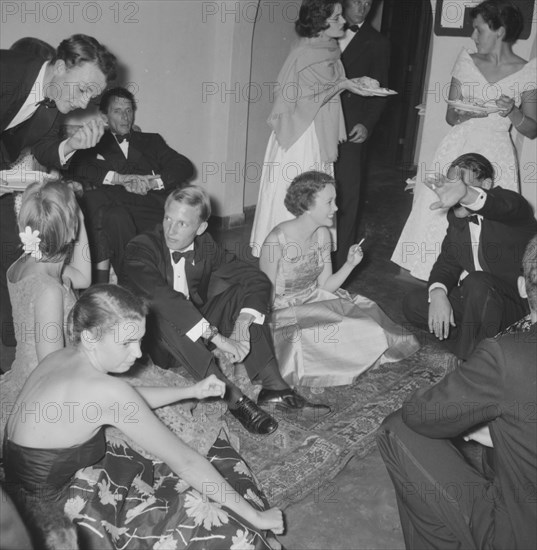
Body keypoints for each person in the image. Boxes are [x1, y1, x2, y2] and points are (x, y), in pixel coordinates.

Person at [3, 284, 284, 549]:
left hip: (20, 493)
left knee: (169, 470)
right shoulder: (105, 392)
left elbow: (125, 401)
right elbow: (185, 461)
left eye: (139, 340)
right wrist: (255, 517)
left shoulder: (61, 357)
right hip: (53, 512)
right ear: (90, 337)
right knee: (219, 518)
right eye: (127, 343)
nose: (137, 353)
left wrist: (192, 390)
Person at [120, 185, 330, 436]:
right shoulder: (141, 247)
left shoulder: (205, 245)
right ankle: (234, 398)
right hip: (157, 343)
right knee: (161, 311)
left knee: (243, 295)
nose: (171, 230)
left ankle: (274, 388)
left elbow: (256, 279)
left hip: (195, 332)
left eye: (182, 224)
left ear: (200, 228)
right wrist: (218, 338)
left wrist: (241, 326)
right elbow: (163, 298)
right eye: (168, 218)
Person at [377, 233, 537, 550]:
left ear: (523, 287)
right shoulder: (456, 226)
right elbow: (445, 266)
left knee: (397, 428)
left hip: (521, 533)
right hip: (463, 306)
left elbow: (421, 415)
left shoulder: (508, 356)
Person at [392, 0, 536, 281]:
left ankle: (475, 276)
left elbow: (531, 129)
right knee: (440, 204)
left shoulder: (528, 72)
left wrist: (513, 112)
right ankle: (426, 272)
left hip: (496, 151)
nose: (473, 36)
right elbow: (450, 114)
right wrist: (461, 112)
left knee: (489, 211)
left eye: (479, 30)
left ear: (500, 31)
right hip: (459, 145)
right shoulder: (466, 61)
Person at [1, 34, 117, 348]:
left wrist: (72, 144)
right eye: (82, 90)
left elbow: (45, 146)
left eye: (91, 98)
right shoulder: (7, 71)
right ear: (61, 66)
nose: (82, 104)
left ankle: (15, 342)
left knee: (13, 241)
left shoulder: (53, 100)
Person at [260, 171, 419, 386]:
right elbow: (262, 296)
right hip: (281, 311)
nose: (336, 208)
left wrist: (350, 264)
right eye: (329, 202)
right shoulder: (275, 241)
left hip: (314, 299)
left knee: (368, 326)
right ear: (308, 205)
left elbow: (326, 285)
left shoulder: (323, 234)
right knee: (308, 340)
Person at [250, 0, 379, 256]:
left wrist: (352, 82)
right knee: (299, 193)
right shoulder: (305, 52)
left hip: (319, 133)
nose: (344, 21)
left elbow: (329, 84)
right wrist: (345, 85)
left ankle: (311, 261)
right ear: (321, 22)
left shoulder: (327, 48)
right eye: (337, 17)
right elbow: (303, 97)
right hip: (300, 135)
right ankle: (286, 254)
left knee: (318, 195)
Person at [403, 152, 537, 359]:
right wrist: (438, 294)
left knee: (477, 282)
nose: (454, 194)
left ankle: (469, 362)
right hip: (479, 300)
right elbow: (446, 264)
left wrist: (466, 195)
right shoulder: (457, 220)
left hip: (518, 307)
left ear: (487, 184)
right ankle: (481, 339)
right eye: (451, 185)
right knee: (415, 303)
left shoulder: (512, 208)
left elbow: (505, 205)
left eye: (463, 186)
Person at [67, 87, 195, 281]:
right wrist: (120, 179)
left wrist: (154, 183)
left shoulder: (152, 140)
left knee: (96, 201)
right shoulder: (93, 143)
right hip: (117, 210)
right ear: (104, 117)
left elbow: (183, 165)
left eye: (129, 110)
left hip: (151, 207)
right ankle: (132, 282)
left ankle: (101, 283)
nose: (125, 117)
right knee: (110, 213)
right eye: (117, 111)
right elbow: (81, 169)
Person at [0, 179, 91, 443]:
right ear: (69, 231)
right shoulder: (48, 290)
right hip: (42, 387)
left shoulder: (26, 262)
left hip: (26, 373)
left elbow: (82, 278)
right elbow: (51, 368)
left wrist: (79, 221)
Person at [333, 0, 390, 270]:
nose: (363, 7)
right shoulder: (325, 32)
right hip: (320, 124)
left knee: (347, 195)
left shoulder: (377, 42)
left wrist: (367, 124)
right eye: (357, 0)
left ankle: (340, 265)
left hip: (352, 129)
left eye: (368, 2)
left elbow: (381, 91)